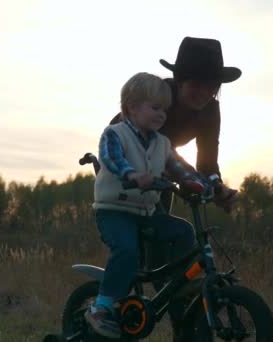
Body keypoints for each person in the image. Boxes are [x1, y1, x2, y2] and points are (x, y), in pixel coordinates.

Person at [85, 72, 209, 339]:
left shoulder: (161, 143)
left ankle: (181, 286)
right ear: (132, 107)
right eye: (155, 108)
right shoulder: (114, 134)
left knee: (183, 231)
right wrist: (132, 174)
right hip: (114, 212)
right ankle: (101, 307)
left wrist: (199, 184)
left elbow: (178, 168)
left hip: (146, 213)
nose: (162, 115)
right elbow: (112, 158)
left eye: (164, 109)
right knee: (127, 252)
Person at [111, 36, 241, 213]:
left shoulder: (210, 109)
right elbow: (158, 146)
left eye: (212, 86)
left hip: (161, 164)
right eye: (196, 84)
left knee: (165, 225)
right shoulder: (159, 97)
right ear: (180, 80)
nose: (204, 93)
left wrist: (218, 188)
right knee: (142, 218)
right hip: (124, 156)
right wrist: (190, 178)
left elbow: (207, 161)